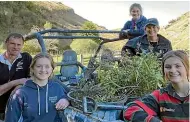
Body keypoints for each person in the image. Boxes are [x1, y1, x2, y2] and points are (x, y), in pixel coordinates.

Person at [123, 50, 189, 122]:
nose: (172, 70)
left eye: (177, 66)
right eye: (168, 67)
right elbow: (130, 110)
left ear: (187, 68)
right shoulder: (160, 95)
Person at [5, 53, 70, 122]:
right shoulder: (20, 94)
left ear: (52, 69)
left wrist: (66, 100)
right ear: (32, 68)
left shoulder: (57, 87)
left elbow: (70, 98)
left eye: (47, 66)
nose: (43, 70)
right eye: (39, 66)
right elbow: (10, 119)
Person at [0, 33, 32, 120]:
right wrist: (17, 82)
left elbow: (32, 78)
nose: (16, 47)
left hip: (20, 110)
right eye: (12, 44)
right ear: (6, 43)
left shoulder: (26, 58)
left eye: (19, 44)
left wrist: (19, 86)